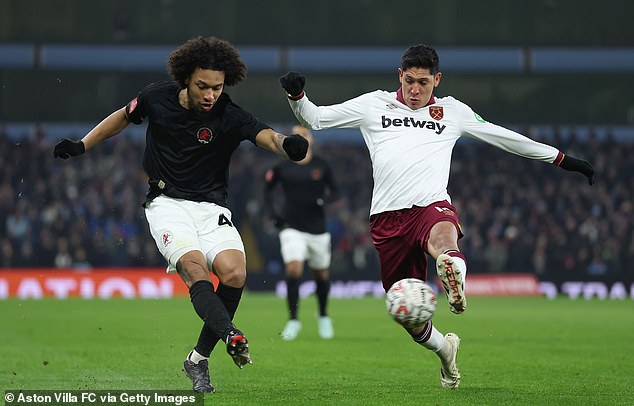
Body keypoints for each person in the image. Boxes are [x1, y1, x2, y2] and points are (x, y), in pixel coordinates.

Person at [279, 44, 595, 389]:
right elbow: (316, 119)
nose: (415, 90)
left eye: (424, 83)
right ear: (400, 75)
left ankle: (452, 267)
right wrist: (297, 95)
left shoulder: (452, 112)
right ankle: (445, 349)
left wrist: (562, 159)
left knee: (443, 239)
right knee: (406, 312)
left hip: (432, 206)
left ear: (437, 80)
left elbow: (504, 137)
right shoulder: (373, 105)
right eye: (410, 81)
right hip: (387, 219)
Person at [53, 36, 309, 394]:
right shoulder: (156, 98)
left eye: (217, 87)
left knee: (235, 273)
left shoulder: (229, 115)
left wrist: (289, 146)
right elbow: (122, 118)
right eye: (202, 86)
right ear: (186, 79)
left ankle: (197, 359)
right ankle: (230, 334)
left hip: (211, 207)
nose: (210, 95)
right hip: (166, 203)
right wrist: (83, 144)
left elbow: (266, 136)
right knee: (194, 268)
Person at [264, 125, 340, 341]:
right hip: (291, 227)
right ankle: (293, 320)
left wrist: (324, 200)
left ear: (311, 139)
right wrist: (273, 214)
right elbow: (267, 190)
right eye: (296, 135)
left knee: (322, 275)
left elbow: (336, 192)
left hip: (317, 229)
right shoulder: (282, 167)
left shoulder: (321, 166)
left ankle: (324, 315)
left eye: (304, 134)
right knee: (293, 269)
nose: (300, 138)